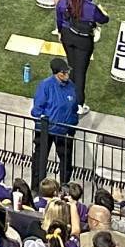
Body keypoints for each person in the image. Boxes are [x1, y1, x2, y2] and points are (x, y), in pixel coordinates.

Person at [30, 58, 78, 186]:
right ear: (58, 73)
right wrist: (45, 122)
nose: (68, 74)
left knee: (66, 161)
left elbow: (74, 108)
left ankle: (64, 186)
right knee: (40, 160)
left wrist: (72, 126)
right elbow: (36, 110)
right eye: (65, 72)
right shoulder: (45, 86)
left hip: (64, 131)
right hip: (46, 131)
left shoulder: (71, 86)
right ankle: (36, 187)